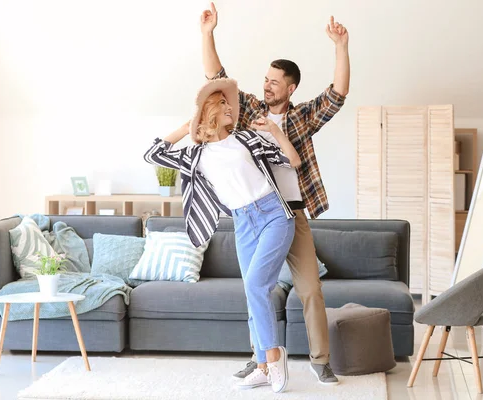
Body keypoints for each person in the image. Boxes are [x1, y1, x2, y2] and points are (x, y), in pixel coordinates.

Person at [200, 3, 350, 386]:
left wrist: (340, 47)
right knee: (255, 285)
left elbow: (337, 95)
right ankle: (261, 359)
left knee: (310, 289)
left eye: (274, 81)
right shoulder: (247, 109)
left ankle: (320, 360)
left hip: (291, 214)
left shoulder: (301, 117)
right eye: (265, 79)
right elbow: (216, 76)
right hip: (254, 211)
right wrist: (208, 34)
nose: (266, 85)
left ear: (290, 87)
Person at [144, 78, 301, 393]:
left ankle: (273, 357)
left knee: (256, 285)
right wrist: (187, 127)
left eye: (230, 104)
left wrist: (276, 132)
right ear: (209, 111)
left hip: (273, 215)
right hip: (242, 222)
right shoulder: (196, 155)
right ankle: (260, 366)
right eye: (223, 103)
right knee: (253, 292)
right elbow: (153, 154)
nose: (231, 107)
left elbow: (293, 161)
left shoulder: (246, 139)